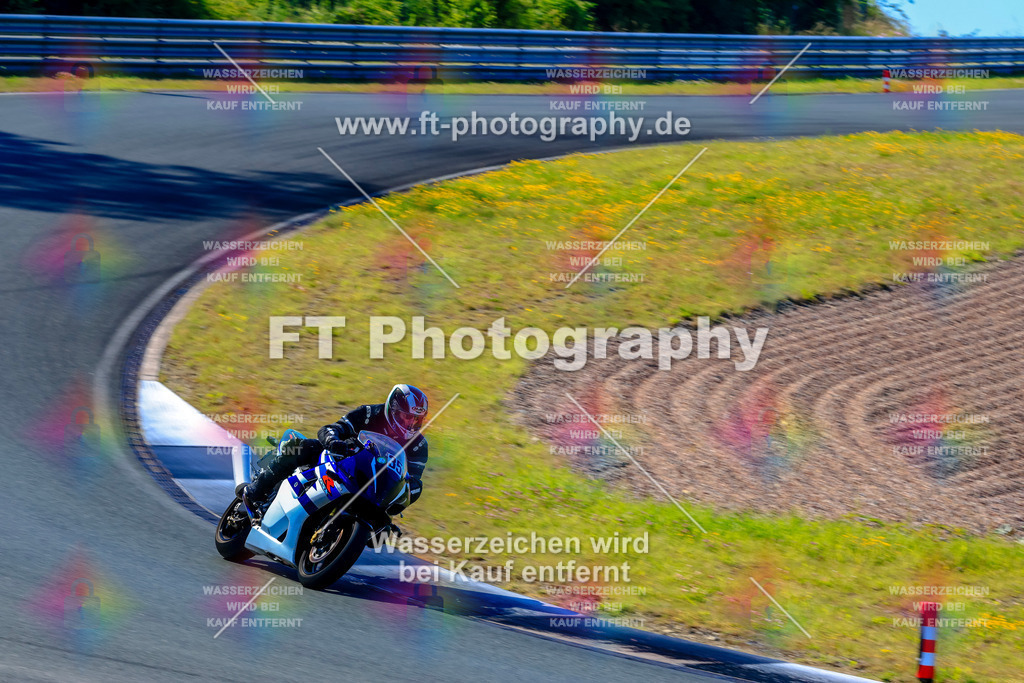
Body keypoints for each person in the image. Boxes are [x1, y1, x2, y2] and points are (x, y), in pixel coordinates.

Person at [242, 384, 429, 517]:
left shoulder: (419, 446)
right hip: (342, 461)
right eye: (407, 417)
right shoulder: (370, 413)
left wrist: (404, 495)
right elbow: (332, 428)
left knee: (382, 528)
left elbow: (413, 479)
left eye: (416, 419)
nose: (411, 423)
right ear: (393, 409)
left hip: (373, 487)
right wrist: (333, 441)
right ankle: (256, 490)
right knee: (302, 447)